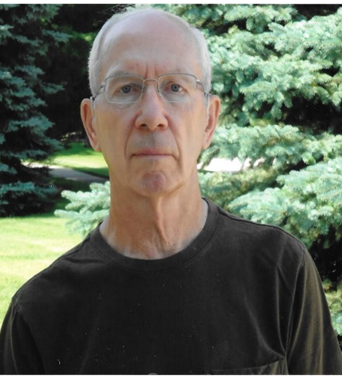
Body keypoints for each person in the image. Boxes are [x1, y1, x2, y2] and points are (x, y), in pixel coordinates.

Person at [1, 6, 342, 375]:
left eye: (175, 87)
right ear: (92, 123)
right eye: (126, 88)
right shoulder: (39, 314)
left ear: (209, 120)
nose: (152, 114)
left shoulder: (279, 272)